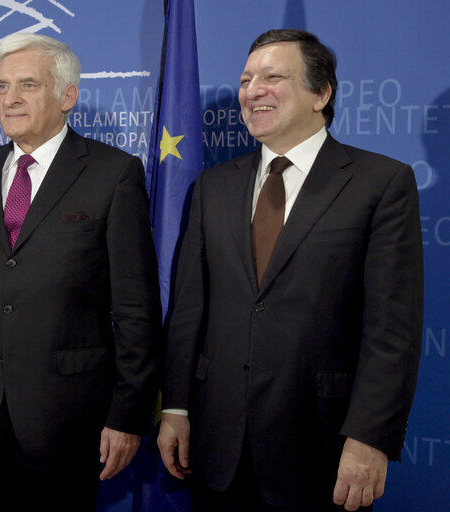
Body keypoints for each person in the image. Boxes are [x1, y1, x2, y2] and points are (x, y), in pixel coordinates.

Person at [158, 29, 423, 512]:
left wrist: (370, 438)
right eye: (245, 79)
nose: (252, 90)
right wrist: (175, 407)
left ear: (321, 93)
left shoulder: (381, 183)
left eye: (272, 77)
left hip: (322, 450)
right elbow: (188, 311)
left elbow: (392, 331)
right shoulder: (212, 188)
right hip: (217, 450)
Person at [0, 33, 161, 511]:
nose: (9, 98)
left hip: (69, 417)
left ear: (67, 96)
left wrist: (127, 415)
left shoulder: (112, 173)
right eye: (1, 87)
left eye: (27, 85)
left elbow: (137, 308)